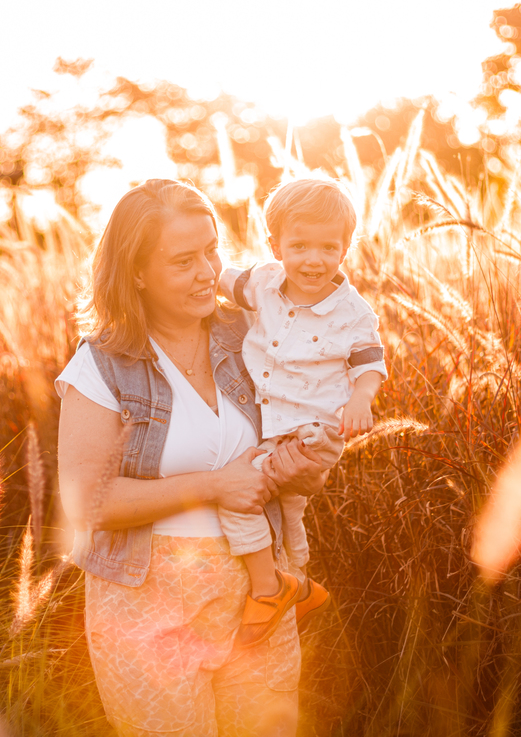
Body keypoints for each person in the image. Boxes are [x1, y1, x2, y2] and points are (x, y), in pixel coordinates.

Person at [56, 179, 329, 736]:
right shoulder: (102, 365)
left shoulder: (254, 336)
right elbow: (87, 501)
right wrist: (214, 486)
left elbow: (301, 469)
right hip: (145, 605)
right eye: (184, 261)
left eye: (212, 250)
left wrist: (306, 465)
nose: (208, 272)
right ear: (135, 271)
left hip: (259, 594)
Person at [217, 177, 386, 648]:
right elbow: (218, 275)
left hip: (315, 430)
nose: (314, 259)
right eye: (299, 246)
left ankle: (273, 589)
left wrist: (360, 399)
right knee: (287, 511)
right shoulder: (263, 284)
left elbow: (370, 363)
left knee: (241, 497)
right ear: (275, 246)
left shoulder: (353, 312)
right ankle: (300, 580)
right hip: (268, 427)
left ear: (346, 248)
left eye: (328, 247)